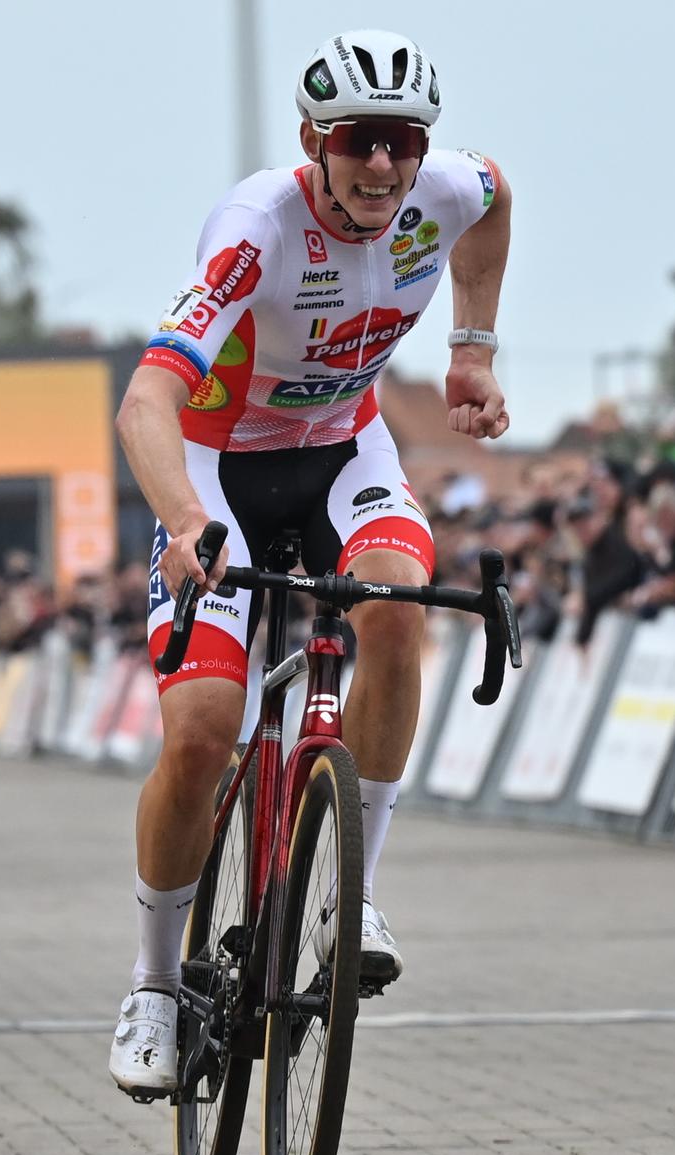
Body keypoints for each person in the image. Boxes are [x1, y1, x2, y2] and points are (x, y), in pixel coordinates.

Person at [108, 28, 512, 1098]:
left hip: (343, 452)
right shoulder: (256, 231)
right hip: (220, 468)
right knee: (198, 738)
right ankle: (152, 985)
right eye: (360, 141)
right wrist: (186, 519)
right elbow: (146, 400)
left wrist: (473, 349)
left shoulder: (447, 189)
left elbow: (497, 200)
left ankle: (357, 891)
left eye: (403, 143)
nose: (384, 166)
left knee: (394, 604)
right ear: (313, 141)